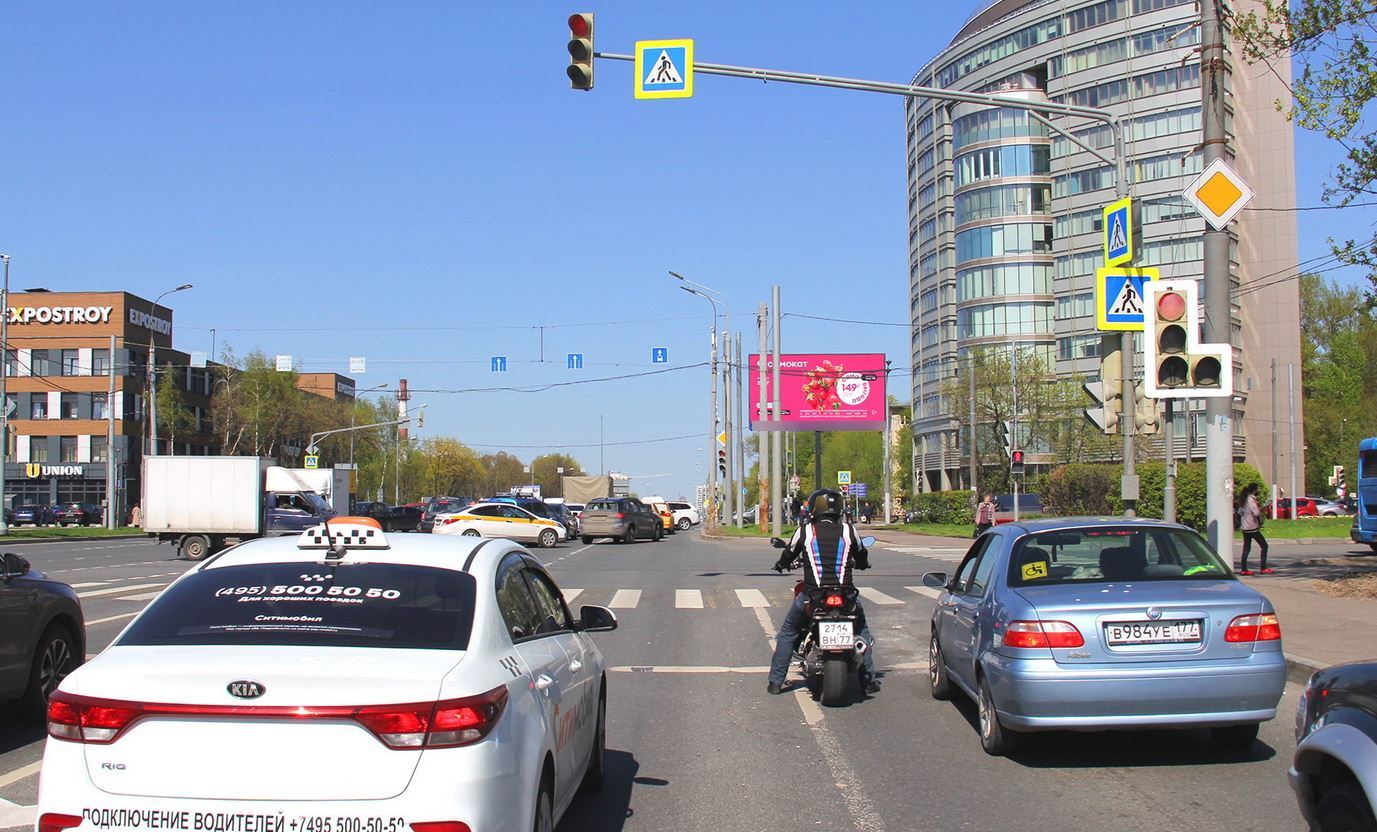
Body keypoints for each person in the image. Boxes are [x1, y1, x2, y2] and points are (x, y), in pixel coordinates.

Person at [767, 488, 878, 696]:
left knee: (788, 632)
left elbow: (789, 553)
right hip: (846, 596)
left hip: (813, 597)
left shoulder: (805, 531)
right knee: (861, 629)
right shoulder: (849, 530)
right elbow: (862, 554)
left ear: (814, 508)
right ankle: (869, 680)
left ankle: (775, 682)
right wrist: (862, 564)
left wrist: (781, 565)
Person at [1237, 483, 1271, 575]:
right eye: (1257, 489)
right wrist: (1260, 510)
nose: (1258, 491)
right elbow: (1256, 512)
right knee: (1264, 545)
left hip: (1245, 527)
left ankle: (1244, 569)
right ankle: (1263, 568)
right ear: (1254, 490)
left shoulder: (1244, 499)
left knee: (1246, 548)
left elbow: (1239, 512)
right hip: (1252, 527)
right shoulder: (1251, 500)